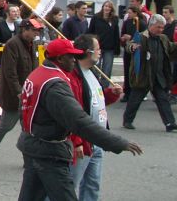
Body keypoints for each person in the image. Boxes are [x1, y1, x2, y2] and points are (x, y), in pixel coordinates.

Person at [17, 38, 142, 201]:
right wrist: (117, 142)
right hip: (49, 150)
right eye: (70, 56)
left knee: (31, 196)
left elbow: (24, 110)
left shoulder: (39, 74)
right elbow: (78, 120)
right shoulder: (55, 84)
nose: (74, 60)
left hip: (34, 143)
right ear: (60, 58)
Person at [0, 18, 41, 165]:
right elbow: (9, 71)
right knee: (6, 125)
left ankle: (28, 158)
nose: (36, 33)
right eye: (34, 30)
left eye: (38, 31)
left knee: (28, 127)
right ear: (24, 30)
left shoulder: (33, 44)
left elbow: (35, 67)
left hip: (29, 91)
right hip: (14, 94)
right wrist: (18, 92)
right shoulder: (13, 44)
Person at [68, 34, 123, 201]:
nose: (100, 52)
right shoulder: (73, 77)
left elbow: (96, 101)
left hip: (96, 139)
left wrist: (111, 95)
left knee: (92, 186)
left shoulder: (92, 72)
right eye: (97, 49)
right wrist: (76, 141)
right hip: (83, 141)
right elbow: (72, 113)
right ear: (88, 52)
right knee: (70, 185)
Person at [122, 14, 176, 131]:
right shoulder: (141, 37)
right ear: (151, 26)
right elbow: (129, 45)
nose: (161, 30)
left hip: (158, 76)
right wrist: (132, 48)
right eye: (158, 27)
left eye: (162, 28)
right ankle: (127, 120)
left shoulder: (163, 38)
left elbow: (171, 48)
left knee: (163, 100)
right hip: (143, 75)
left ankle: (170, 123)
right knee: (135, 99)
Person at [119, 0, 148, 101]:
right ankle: (127, 92)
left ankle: (136, 92)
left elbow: (144, 37)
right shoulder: (127, 22)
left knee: (136, 71)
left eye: (130, 13)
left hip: (138, 50)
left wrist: (131, 37)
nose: (129, 15)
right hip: (128, 49)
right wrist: (123, 38)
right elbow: (123, 33)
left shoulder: (142, 23)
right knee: (127, 70)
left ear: (136, 13)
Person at [89, 1, 121, 77]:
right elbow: (90, 31)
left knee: (107, 70)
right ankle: (96, 85)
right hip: (97, 47)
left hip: (109, 48)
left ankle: (105, 87)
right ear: (103, 7)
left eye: (109, 7)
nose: (107, 8)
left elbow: (116, 34)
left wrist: (117, 49)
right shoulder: (96, 17)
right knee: (95, 69)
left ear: (111, 9)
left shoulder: (114, 19)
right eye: (105, 6)